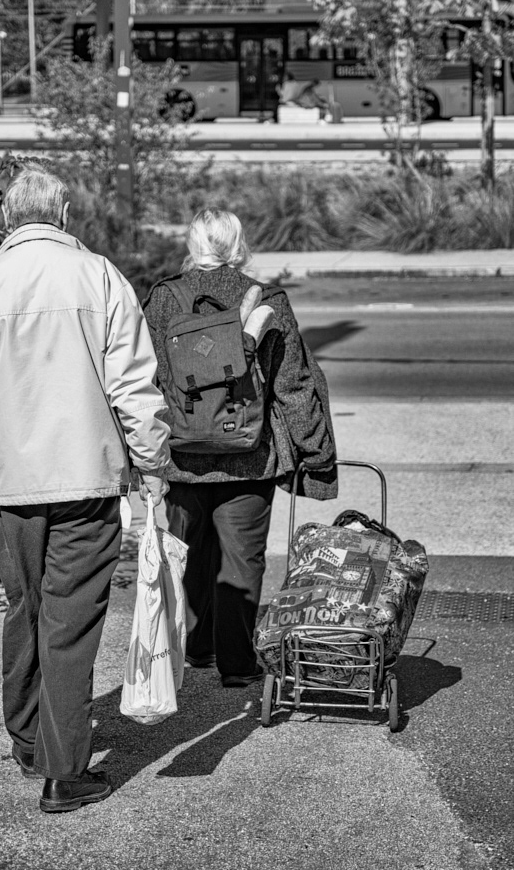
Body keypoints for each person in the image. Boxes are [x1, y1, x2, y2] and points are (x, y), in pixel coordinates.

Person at [0, 163, 170, 814]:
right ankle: (64, 771)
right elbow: (134, 388)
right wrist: (151, 464)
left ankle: (29, 741)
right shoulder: (101, 278)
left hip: (6, 488)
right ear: (62, 217)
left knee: (24, 609)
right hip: (85, 482)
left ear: (5, 218)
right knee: (69, 623)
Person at [143, 209, 336, 689]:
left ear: (193, 246)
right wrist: (316, 453)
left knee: (188, 551)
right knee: (242, 558)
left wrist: (141, 451)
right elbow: (293, 384)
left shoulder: (164, 300)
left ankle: (198, 647)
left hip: (183, 456)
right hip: (250, 454)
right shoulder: (267, 299)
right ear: (238, 245)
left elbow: (142, 380)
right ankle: (236, 664)